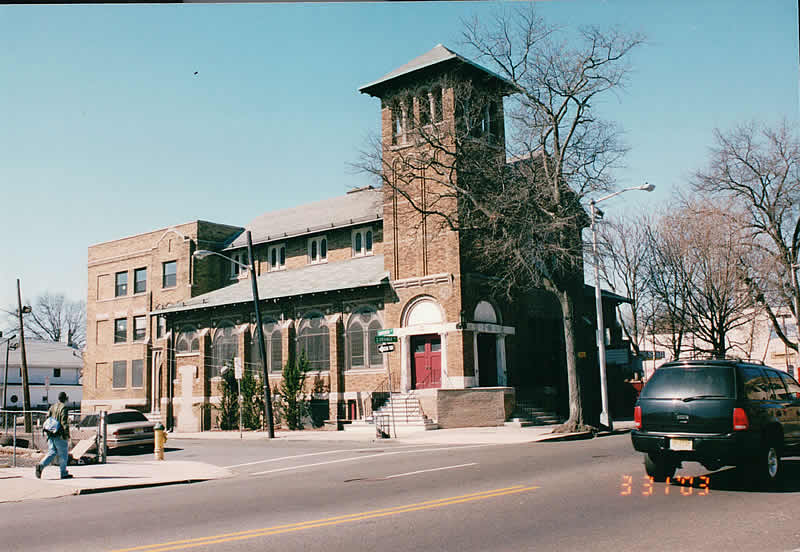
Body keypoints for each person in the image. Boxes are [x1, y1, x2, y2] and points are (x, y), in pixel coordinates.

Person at [35, 391, 72, 480]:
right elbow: (64, 422)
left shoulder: (52, 407)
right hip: (60, 434)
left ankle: (41, 465)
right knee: (63, 454)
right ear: (65, 398)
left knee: (52, 452)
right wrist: (66, 434)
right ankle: (63, 473)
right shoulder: (64, 408)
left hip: (50, 434)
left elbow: (48, 418)